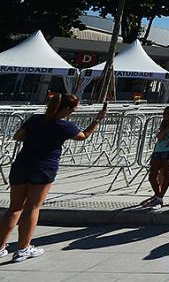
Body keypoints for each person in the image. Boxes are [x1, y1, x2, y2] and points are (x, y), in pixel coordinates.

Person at [0, 94, 107, 262]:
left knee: (14, 208)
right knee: (32, 207)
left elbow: (17, 136)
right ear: (65, 109)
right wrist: (97, 120)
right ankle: (23, 248)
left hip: (22, 164)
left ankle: (0, 246)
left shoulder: (35, 119)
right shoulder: (64, 126)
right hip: (44, 167)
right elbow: (83, 136)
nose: (72, 112)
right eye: (72, 109)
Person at [142, 106, 169, 208]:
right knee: (152, 176)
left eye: (168, 113)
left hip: (168, 151)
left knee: (166, 174)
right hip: (158, 150)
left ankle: (160, 198)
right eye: (164, 112)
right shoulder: (163, 124)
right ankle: (158, 195)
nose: (165, 115)